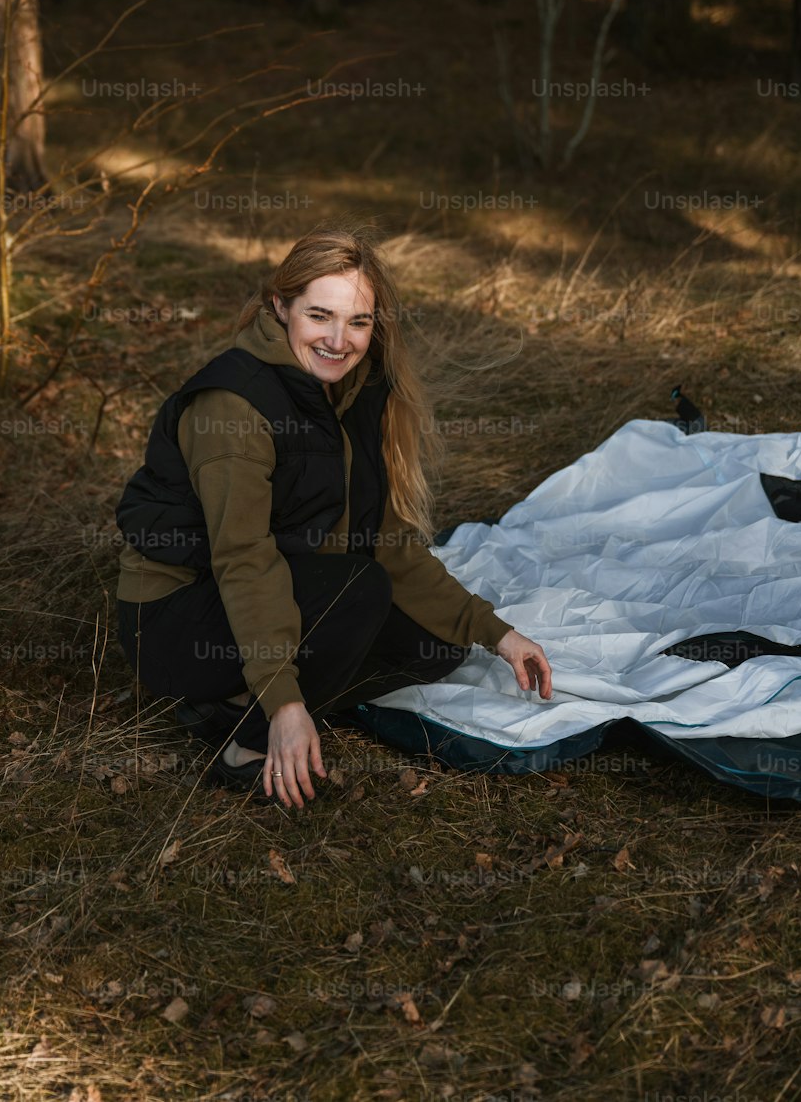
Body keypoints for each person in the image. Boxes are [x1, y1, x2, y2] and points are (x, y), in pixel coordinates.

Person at [115, 223, 552, 809]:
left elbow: (384, 539)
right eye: (319, 315)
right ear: (280, 307)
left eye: (358, 322)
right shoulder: (233, 405)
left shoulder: (352, 390)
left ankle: (236, 703)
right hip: (178, 619)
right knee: (358, 587)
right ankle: (247, 740)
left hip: (263, 589)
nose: (338, 340)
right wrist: (287, 701)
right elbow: (244, 558)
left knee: (436, 646)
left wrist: (493, 631)